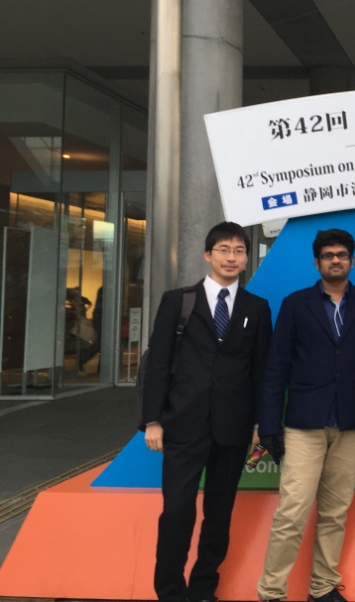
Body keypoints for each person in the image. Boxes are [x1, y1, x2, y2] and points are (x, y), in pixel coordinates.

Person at [142, 222, 273, 602]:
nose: (231, 258)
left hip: (233, 428)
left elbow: (261, 371)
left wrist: (260, 423)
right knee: (177, 511)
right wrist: (152, 419)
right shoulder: (178, 301)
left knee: (219, 514)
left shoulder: (256, 308)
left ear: (246, 258)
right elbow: (157, 363)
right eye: (223, 250)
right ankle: (170, 591)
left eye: (239, 251)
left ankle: (203, 589)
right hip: (183, 424)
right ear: (207, 254)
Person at [256, 229, 355, 602]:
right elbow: (276, 368)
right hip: (304, 425)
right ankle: (271, 591)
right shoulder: (296, 304)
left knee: (334, 513)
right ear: (317, 263)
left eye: (342, 255)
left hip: (350, 424)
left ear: (352, 261)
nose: (335, 260)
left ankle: (323, 587)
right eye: (328, 255)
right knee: (292, 512)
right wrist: (269, 424)